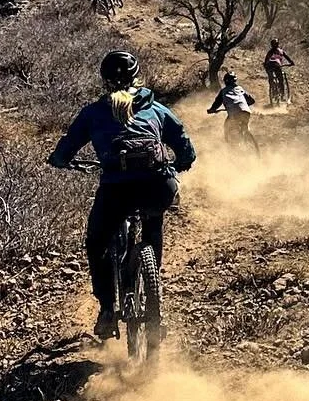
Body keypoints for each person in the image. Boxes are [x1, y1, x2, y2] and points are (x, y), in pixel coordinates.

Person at [48, 50, 195, 341]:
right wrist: (182, 162)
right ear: (137, 77)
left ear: (104, 80)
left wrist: (59, 160)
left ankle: (106, 310)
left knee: (97, 242)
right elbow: (183, 142)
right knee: (153, 222)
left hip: (117, 189)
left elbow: (66, 148)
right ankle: (152, 292)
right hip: (158, 185)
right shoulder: (156, 108)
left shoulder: (93, 112)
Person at [208, 68, 259, 154]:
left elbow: (216, 103)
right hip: (246, 112)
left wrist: (212, 110)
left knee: (227, 126)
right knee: (244, 127)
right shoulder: (240, 89)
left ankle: (232, 147)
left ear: (225, 81)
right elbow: (251, 101)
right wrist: (243, 105)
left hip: (234, 114)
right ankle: (247, 139)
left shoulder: (223, 91)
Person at [263, 39, 294, 108]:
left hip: (269, 66)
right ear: (278, 44)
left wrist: (265, 65)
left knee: (271, 78)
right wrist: (291, 62)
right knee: (281, 80)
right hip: (277, 66)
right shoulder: (281, 51)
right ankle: (282, 95)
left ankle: (273, 89)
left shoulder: (270, 51)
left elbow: (266, 60)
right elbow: (287, 58)